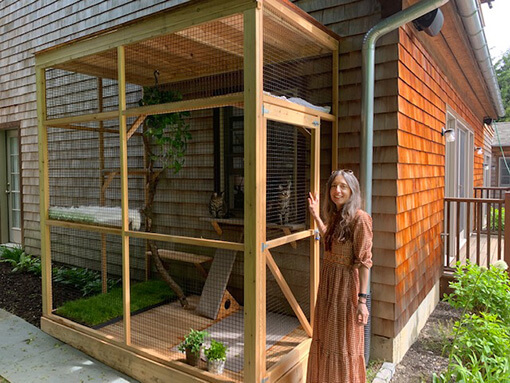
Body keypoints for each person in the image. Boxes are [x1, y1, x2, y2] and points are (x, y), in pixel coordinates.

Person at [306, 169, 373, 383]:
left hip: (345, 289)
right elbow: (331, 242)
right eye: (334, 186)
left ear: (352, 190)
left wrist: (362, 301)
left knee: (343, 343)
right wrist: (317, 216)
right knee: (326, 339)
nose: (337, 190)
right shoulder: (336, 216)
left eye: (343, 186)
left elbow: (364, 262)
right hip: (328, 287)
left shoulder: (360, 219)